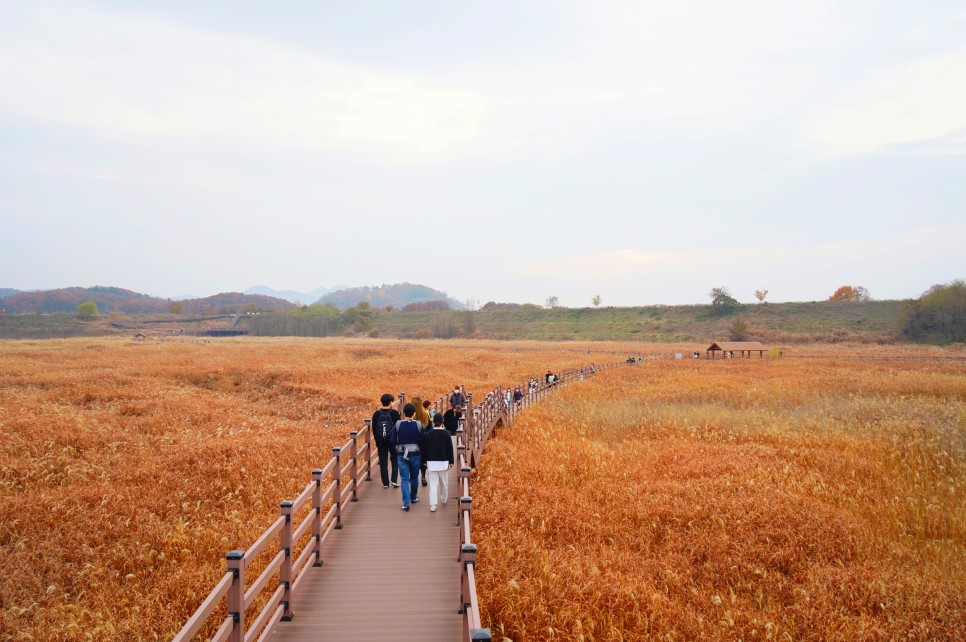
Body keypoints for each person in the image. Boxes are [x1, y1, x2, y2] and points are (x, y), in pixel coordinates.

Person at [391, 403, 425, 511]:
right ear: (414, 413)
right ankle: (413, 497)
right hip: (415, 454)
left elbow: (392, 440)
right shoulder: (419, 425)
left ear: (404, 413)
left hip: (402, 455)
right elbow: (423, 440)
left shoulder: (398, 424)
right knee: (414, 478)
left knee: (404, 479)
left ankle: (406, 503)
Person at [422, 413, 454, 512]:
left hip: (431, 462)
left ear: (433, 421)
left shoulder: (429, 434)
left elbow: (425, 448)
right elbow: (450, 448)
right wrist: (451, 461)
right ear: (442, 421)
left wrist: (424, 461)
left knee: (433, 484)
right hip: (444, 462)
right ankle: (444, 498)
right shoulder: (446, 433)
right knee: (444, 483)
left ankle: (433, 505)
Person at [371, 393, 399, 488]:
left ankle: (385, 482)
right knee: (394, 459)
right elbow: (397, 428)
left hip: (381, 441)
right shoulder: (395, 413)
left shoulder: (376, 414)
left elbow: (374, 429)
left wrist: (377, 441)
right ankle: (394, 480)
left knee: (383, 461)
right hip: (392, 441)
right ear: (391, 402)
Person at [411, 397, 431, 487]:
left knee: (412, 458)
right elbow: (430, 428)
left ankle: (413, 476)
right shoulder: (425, 414)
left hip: (413, 440)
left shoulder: (411, 414)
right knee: (423, 459)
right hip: (423, 440)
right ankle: (423, 477)